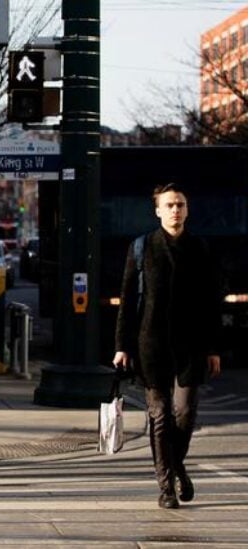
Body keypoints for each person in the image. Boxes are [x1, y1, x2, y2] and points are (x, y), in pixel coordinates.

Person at [113, 182, 222, 509]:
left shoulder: (200, 248)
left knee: (185, 414)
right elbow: (128, 300)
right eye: (170, 205)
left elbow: (210, 303)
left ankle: (177, 467)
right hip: (151, 345)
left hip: (191, 345)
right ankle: (166, 487)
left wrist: (214, 348)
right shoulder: (141, 247)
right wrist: (122, 345)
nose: (176, 210)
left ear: (187, 210)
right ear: (158, 210)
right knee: (160, 415)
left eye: (181, 205)